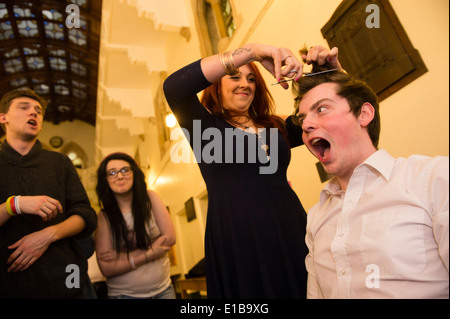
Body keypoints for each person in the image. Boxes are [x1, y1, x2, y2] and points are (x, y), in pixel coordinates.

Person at [163, 43, 341, 298]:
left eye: (250, 78)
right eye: (234, 76)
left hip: (288, 227)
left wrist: (324, 73)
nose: (244, 83)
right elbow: (174, 88)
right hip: (237, 235)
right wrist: (253, 52)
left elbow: (322, 117)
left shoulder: (275, 126)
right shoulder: (204, 128)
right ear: (217, 85)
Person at [292, 61, 449, 298]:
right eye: (302, 118)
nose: (305, 125)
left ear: (364, 114)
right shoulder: (316, 216)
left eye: (321, 109)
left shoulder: (432, 179)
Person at [0, 88, 97, 298]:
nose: (33, 113)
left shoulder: (60, 163)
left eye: (38, 111)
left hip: (63, 286)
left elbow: (85, 214)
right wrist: (14, 205)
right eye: (24, 108)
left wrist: (48, 235)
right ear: (3, 117)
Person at [95, 152, 176, 299]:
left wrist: (122, 256)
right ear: (105, 180)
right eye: (111, 173)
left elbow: (170, 238)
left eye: (125, 170)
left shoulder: (151, 198)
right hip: (124, 295)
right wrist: (150, 252)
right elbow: (106, 268)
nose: (119, 176)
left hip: (163, 291)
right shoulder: (103, 216)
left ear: (134, 173)